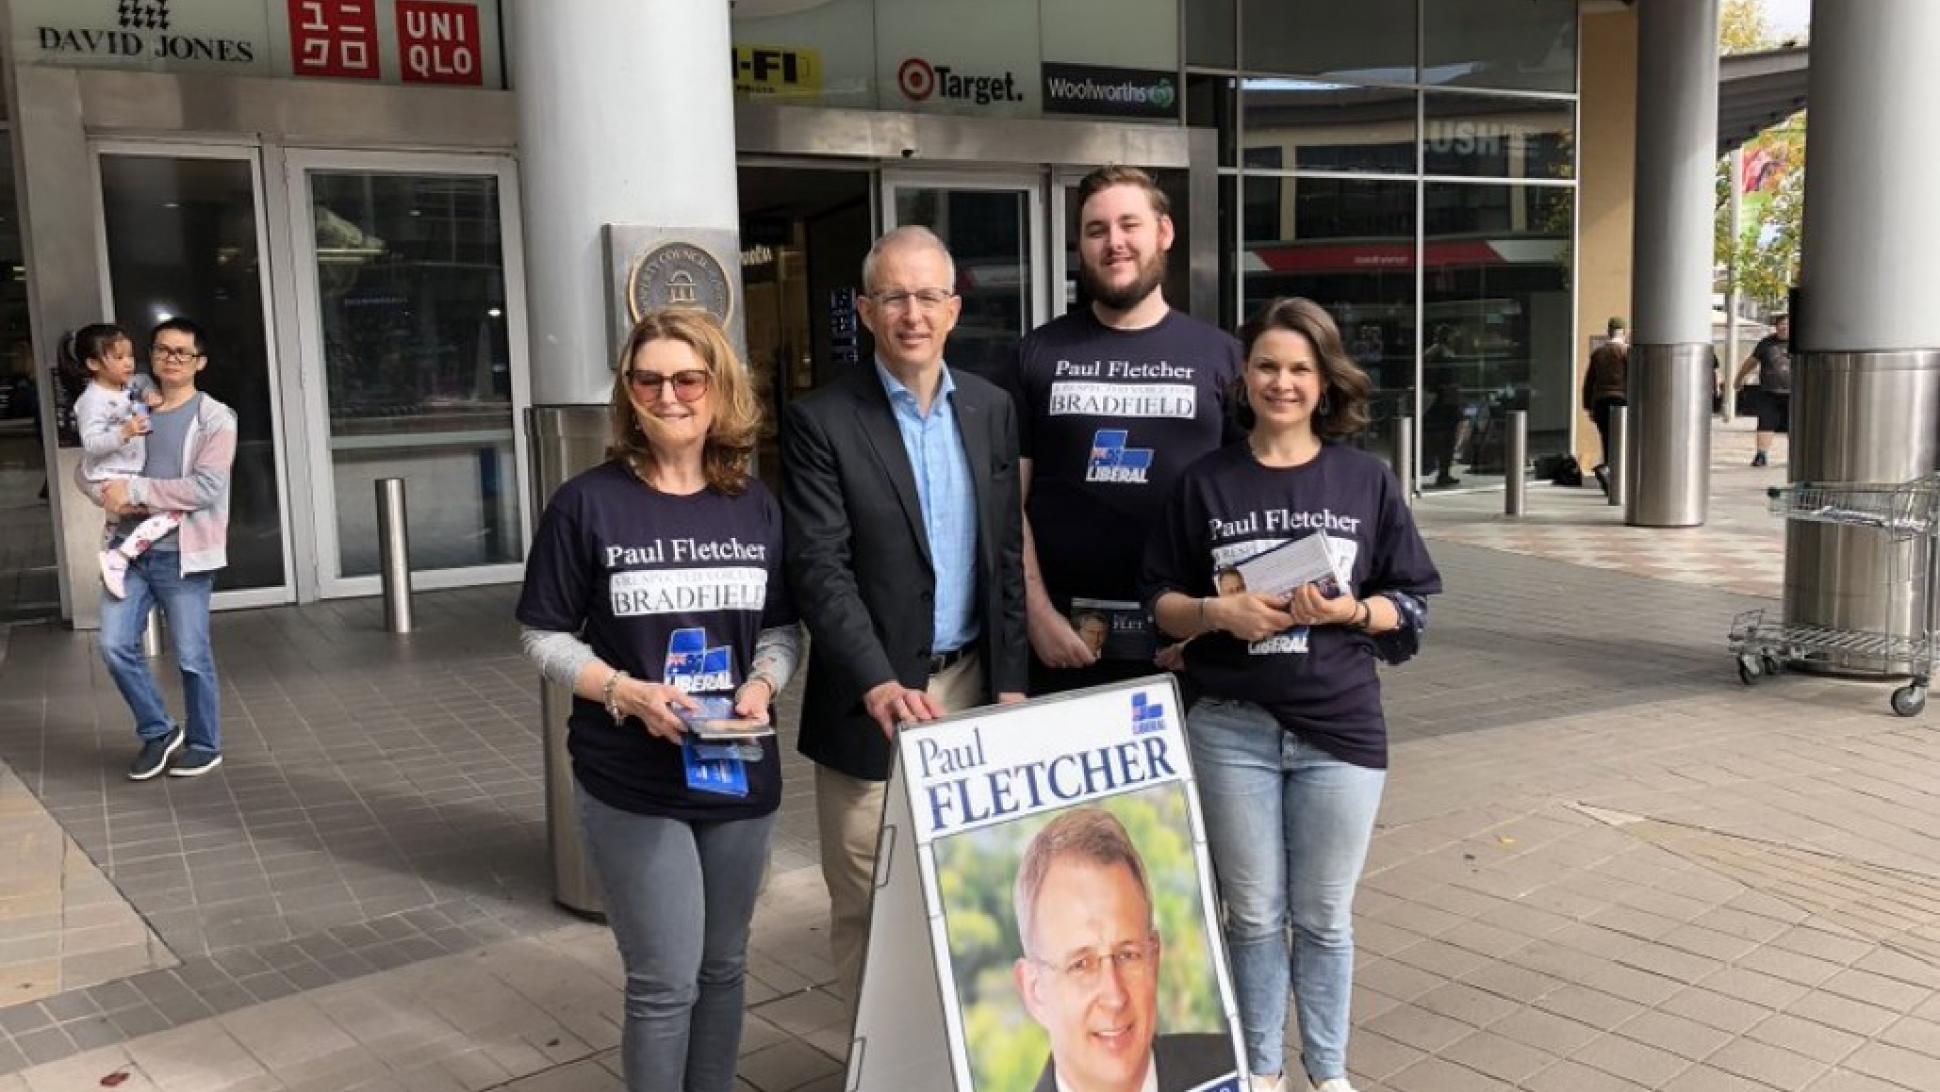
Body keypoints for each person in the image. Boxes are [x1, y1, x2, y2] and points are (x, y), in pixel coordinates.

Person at [1141, 298, 1441, 1092]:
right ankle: (1262, 1071)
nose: (1283, 382)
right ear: (1245, 376)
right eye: (1268, 365)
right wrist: (1216, 611)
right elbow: (1159, 602)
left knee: (1325, 919)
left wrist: (1351, 610)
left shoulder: (1365, 479)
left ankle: (1330, 1074)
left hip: (1340, 730)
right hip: (1230, 729)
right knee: (1254, 917)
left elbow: (1410, 604)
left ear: (1324, 381)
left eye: (1300, 369)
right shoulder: (1204, 482)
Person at [516, 309, 802, 1092]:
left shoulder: (755, 504)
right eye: (649, 380)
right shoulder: (587, 504)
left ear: (719, 386)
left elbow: (781, 627)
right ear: (628, 393)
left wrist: (763, 682)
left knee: (724, 968)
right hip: (632, 777)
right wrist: (625, 692)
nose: (669, 396)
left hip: (738, 770)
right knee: (666, 981)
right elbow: (544, 637)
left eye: (688, 378)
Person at [782, 225, 1028, 1005]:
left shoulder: (990, 409)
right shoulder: (821, 420)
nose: (912, 314)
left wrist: (1014, 683)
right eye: (894, 297)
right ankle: (872, 1069)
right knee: (866, 901)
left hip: (973, 685)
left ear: (954, 309)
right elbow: (821, 570)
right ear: (865, 308)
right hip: (872, 701)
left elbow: (1005, 559)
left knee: (974, 894)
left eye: (928, 296)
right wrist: (879, 681)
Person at [1004, 165, 1241, 697]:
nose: (1114, 242)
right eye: (1096, 230)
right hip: (1064, 644)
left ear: (1164, 232)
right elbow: (1006, 503)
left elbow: (1246, 501)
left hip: (1187, 645)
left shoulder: (1222, 357)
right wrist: (1037, 617)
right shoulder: (1037, 354)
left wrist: (1216, 622)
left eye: (1128, 225)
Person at [96, 318, 237, 781]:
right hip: (128, 552)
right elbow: (92, 463)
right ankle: (159, 730)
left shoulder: (216, 418)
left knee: (193, 657)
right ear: (151, 355)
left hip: (183, 554)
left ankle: (205, 743)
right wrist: (102, 492)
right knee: (115, 645)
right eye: (162, 349)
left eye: (182, 352)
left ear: (200, 362)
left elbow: (206, 488)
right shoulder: (131, 406)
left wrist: (135, 490)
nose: (170, 359)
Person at [1012, 808, 1235, 1092]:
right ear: (1035, 991)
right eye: (1082, 964)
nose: (1115, 996)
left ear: (1154, 959)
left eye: (1127, 955)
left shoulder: (1240, 1068)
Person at [68, 323, 174, 599]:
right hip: (111, 474)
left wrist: (151, 393)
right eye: (118, 357)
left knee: (115, 525)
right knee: (170, 511)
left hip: (129, 471)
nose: (128, 363)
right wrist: (124, 432)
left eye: (130, 355)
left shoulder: (130, 384)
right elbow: (91, 444)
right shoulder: (92, 401)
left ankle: (108, 561)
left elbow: (142, 381)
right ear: (93, 363)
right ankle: (121, 556)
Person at [1734, 313, 1791, 467]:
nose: (1784, 327)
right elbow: (1751, 362)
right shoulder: (1766, 343)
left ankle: (1796, 457)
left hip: (1795, 392)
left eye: (1787, 324)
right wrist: (1739, 378)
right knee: (1765, 423)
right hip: (1769, 391)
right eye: (1781, 324)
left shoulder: (1801, 343)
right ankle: (1761, 455)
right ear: (1776, 326)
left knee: (1796, 426)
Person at [1581, 316, 1628, 487]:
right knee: (1622, 441)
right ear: (1624, 332)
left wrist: (1588, 406)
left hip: (1600, 402)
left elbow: (1589, 382)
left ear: (1608, 332)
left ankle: (1608, 470)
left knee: (1607, 440)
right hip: (1621, 401)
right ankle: (1612, 474)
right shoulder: (1626, 352)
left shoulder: (1598, 354)